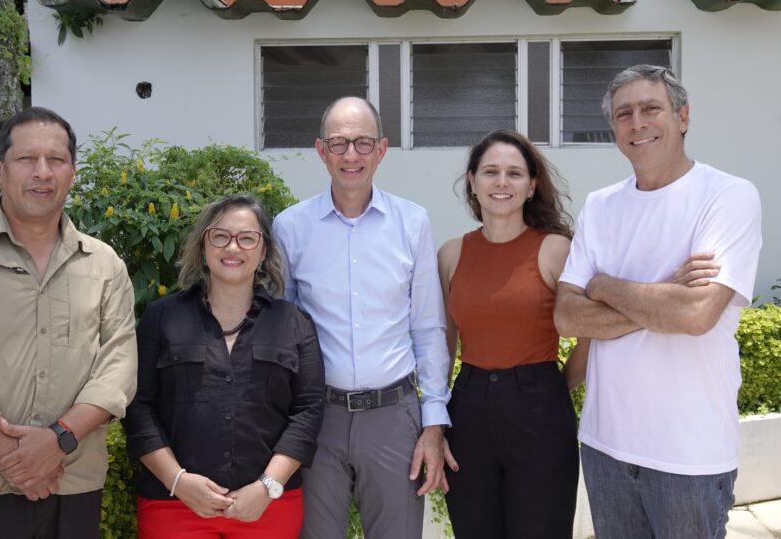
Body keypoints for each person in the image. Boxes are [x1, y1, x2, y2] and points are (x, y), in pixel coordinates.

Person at [555, 65, 762, 538]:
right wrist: (662, 293)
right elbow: (567, 316)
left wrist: (604, 285)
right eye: (624, 114)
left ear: (683, 116)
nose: (637, 123)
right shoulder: (600, 205)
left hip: (690, 455)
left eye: (651, 108)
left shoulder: (728, 197)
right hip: (606, 446)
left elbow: (695, 314)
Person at [0, 107, 138, 538]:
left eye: (56, 160)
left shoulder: (105, 264)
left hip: (71, 487)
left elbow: (118, 371)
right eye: (26, 159)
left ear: (72, 173)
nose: (42, 172)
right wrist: (23, 460)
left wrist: (58, 442)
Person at [273, 96, 455, 539]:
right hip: (319, 418)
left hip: (394, 417)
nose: (350, 155)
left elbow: (428, 328)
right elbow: (282, 333)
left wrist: (433, 424)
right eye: (338, 143)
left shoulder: (413, 223)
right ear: (320, 151)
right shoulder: (290, 228)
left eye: (362, 143)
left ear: (382, 149)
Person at [122, 194, 325, 539]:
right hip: (173, 504)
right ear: (204, 246)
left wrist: (266, 487)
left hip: (267, 506)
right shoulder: (161, 318)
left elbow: (308, 411)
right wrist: (178, 481)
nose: (233, 248)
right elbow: (137, 406)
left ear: (263, 252)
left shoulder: (294, 323)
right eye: (220, 236)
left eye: (247, 238)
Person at [437, 129, 581, 538]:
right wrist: (434, 421)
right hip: (466, 411)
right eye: (491, 172)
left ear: (532, 185)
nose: (502, 183)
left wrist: (553, 386)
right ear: (472, 181)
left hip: (540, 411)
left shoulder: (556, 250)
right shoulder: (451, 254)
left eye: (515, 173)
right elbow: (443, 348)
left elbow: (591, 335)